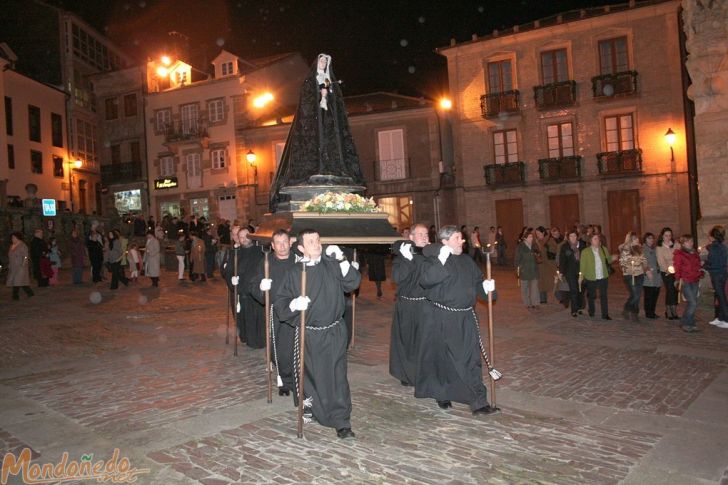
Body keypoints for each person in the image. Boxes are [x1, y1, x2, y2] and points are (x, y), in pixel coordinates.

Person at [273, 228, 361, 439]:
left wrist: (342, 260)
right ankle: (311, 409)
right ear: (302, 248)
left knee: (337, 376)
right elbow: (281, 303)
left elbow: (353, 283)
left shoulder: (332, 265)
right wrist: (294, 304)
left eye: (318, 240)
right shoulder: (295, 273)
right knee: (311, 377)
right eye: (311, 241)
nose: (317, 243)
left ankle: (342, 421)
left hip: (334, 331)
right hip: (309, 334)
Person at [415, 225, 497, 415]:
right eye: (458, 238)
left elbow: (478, 283)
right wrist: (441, 261)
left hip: (466, 317)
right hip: (442, 318)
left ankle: (479, 402)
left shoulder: (467, 261)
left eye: (462, 237)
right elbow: (426, 281)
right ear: (445, 242)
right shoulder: (433, 260)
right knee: (444, 359)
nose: (463, 241)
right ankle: (442, 393)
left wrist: (487, 288)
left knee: (471, 358)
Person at [269, 54, 365, 212]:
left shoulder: (330, 81)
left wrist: (329, 96)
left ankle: (332, 167)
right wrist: (319, 96)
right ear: (317, 63)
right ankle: (316, 167)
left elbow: (337, 104)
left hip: (328, 123)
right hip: (313, 124)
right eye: (321, 60)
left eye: (326, 61)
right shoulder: (309, 81)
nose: (323, 63)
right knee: (316, 145)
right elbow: (306, 101)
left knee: (331, 145)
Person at [249, 229, 298, 396]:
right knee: (281, 349)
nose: (282, 246)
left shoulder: (299, 261)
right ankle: (284, 380)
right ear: (272, 245)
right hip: (276, 312)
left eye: (285, 242)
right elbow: (254, 285)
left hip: (296, 311)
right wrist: (261, 289)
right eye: (278, 243)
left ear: (290, 242)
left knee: (298, 347)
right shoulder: (266, 262)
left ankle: (299, 380)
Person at [390, 223, 429, 387]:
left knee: (426, 342)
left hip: (427, 305)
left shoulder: (431, 255)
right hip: (407, 305)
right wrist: (407, 259)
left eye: (426, 234)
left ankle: (424, 373)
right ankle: (406, 373)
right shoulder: (403, 256)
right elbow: (397, 278)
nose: (425, 237)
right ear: (411, 237)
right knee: (407, 341)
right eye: (420, 234)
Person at [235, 228, 264, 348]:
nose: (244, 239)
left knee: (258, 319)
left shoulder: (260, 250)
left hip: (256, 292)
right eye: (241, 237)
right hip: (243, 293)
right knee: (246, 319)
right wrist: (232, 278)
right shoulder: (236, 253)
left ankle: (260, 341)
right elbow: (230, 270)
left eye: (246, 236)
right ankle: (249, 339)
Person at [580, 234, 614, 321]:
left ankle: (605, 314)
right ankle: (591, 310)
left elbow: (608, 260)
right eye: (595, 239)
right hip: (591, 277)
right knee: (592, 295)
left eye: (598, 239)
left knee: (603, 295)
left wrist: (612, 258)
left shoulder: (603, 249)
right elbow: (582, 265)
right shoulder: (585, 252)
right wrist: (581, 276)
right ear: (590, 241)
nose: (597, 240)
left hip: (603, 276)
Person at [673, 235, 703, 332]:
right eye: (688, 241)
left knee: (693, 303)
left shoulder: (694, 253)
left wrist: (700, 272)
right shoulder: (679, 254)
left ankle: (688, 322)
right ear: (683, 243)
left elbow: (697, 265)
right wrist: (677, 280)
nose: (691, 243)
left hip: (695, 280)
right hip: (685, 281)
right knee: (692, 303)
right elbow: (677, 267)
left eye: (691, 241)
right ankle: (686, 323)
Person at [618, 231, 650, 322]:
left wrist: (646, 268)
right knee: (635, 294)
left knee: (637, 295)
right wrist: (628, 268)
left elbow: (644, 260)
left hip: (639, 274)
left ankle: (634, 313)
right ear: (630, 240)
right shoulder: (625, 250)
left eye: (637, 238)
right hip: (629, 275)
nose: (637, 240)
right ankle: (627, 308)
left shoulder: (639, 249)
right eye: (635, 239)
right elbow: (622, 263)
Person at [704, 225, 728, 328]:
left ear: (713, 236)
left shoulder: (714, 247)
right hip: (722, 273)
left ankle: (726, 319)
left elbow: (712, 263)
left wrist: (703, 264)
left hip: (717, 274)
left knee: (721, 297)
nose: (708, 236)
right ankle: (720, 318)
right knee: (719, 296)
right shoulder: (723, 246)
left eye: (709, 234)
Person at [558, 230, 585, 317]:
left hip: (581, 271)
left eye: (574, 236)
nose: (573, 238)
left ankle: (580, 307)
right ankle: (574, 310)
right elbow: (562, 260)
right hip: (570, 271)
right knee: (574, 290)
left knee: (581, 290)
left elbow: (586, 258)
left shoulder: (582, 245)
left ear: (577, 236)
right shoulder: (565, 247)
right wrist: (561, 272)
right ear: (568, 237)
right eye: (571, 236)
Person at [657, 227, 680, 320]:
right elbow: (661, 261)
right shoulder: (659, 247)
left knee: (675, 290)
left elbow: (680, 255)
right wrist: (669, 269)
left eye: (670, 235)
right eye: (666, 235)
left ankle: (674, 309)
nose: (668, 237)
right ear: (662, 236)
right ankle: (668, 309)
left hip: (677, 270)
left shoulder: (676, 245)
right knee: (670, 289)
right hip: (666, 272)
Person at [514, 228, 540, 308]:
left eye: (532, 237)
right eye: (529, 237)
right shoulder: (520, 247)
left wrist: (538, 255)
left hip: (533, 270)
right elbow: (517, 259)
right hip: (524, 270)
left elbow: (539, 256)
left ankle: (535, 303)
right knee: (525, 288)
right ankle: (527, 303)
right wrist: (518, 269)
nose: (531, 239)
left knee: (534, 288)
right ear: (525, 238)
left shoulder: (534, 246)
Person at [7, 232, 34, 300]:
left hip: (20, 266)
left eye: (13, 237)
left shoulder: (22, 245)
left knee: (17, 281)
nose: (12, 239)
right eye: (12, 237)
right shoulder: (12, 246)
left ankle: (15, 296)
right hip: (13, 266)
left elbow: (25, 256)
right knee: (21, 281)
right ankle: (30, 292)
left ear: (17, 237)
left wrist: (24, 264)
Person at [642, 233, 662, 319]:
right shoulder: (643, 249)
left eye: (652, 238)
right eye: (649, 238)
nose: (651, 240)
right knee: (649, 294)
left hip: (657, 275)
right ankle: (648, 312)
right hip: (648, 275)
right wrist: (647, 270)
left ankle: (652, 311)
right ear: (645, 239)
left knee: (655, 293)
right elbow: (642, 261)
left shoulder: (654, 249)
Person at [535, 226, 555, 304]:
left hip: (548, 264)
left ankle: (561, 297)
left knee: (552, 282)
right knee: (541, 283)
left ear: (543, 232)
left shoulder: (549, 240)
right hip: (540, 265)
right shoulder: (537, 241)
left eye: (538, 233)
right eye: (536, 233)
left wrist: (545, 247)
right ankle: (542, 299)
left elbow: (553, 250)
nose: (537, 235)